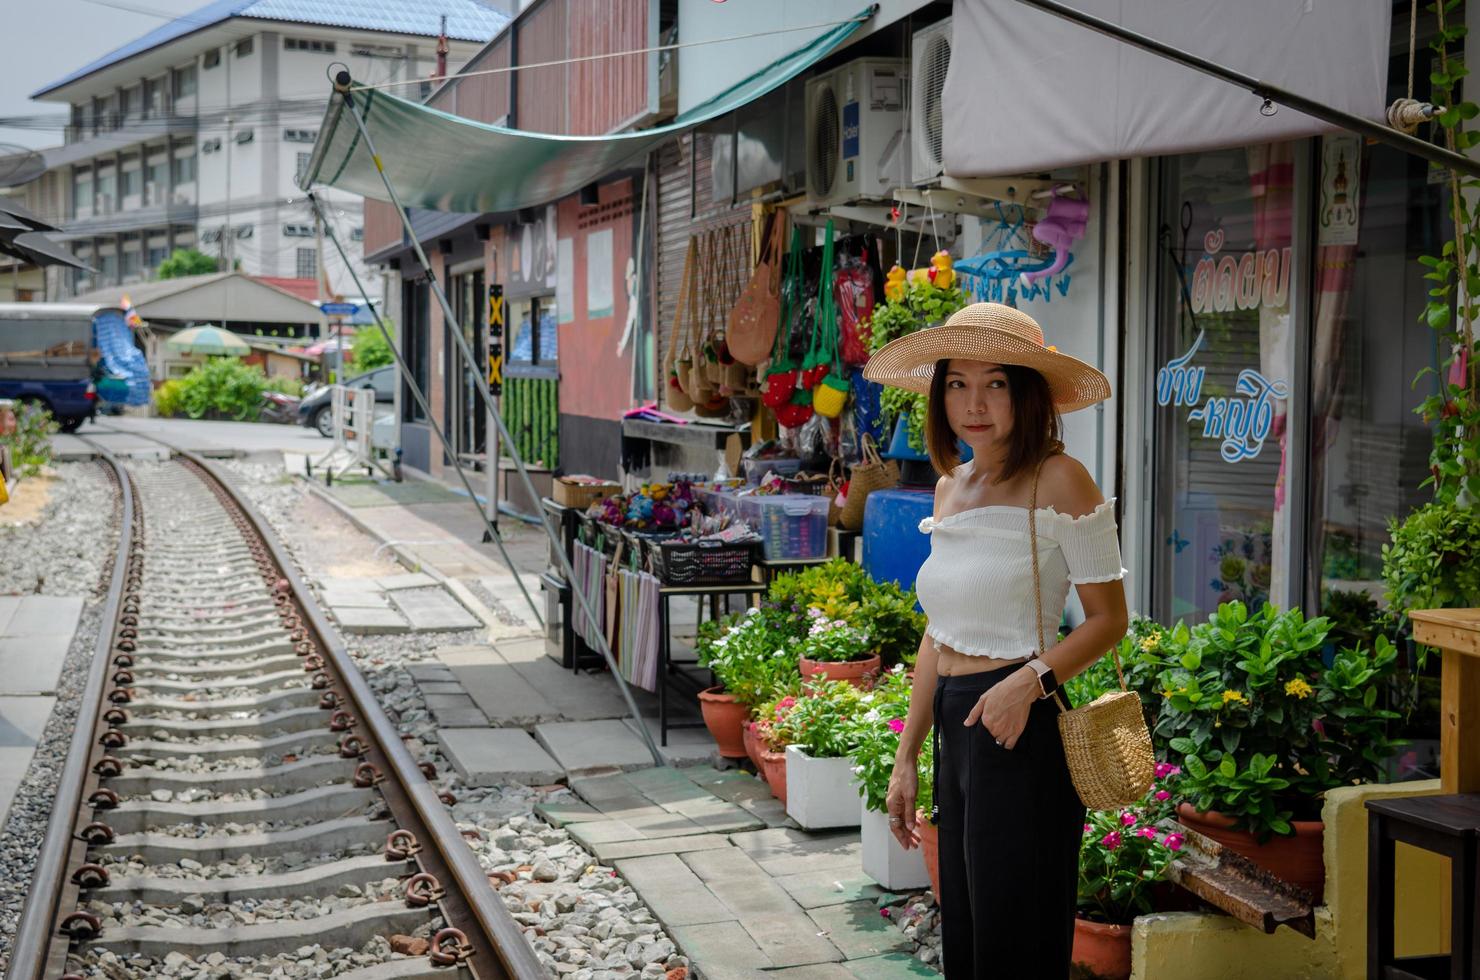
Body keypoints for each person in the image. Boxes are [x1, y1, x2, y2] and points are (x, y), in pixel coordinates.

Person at [862, 302, 1129, 978]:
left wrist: (1028, 681)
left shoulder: (1059, 478)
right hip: (958, 723)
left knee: (1016, 940)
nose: (973, 403)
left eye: (995, 383)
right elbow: (939, 632)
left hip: (1020, 724)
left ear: (1026, 390)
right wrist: (907, 753)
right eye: (956, 383)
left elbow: (1108, 619)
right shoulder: (950, 487)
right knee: (972, 939)